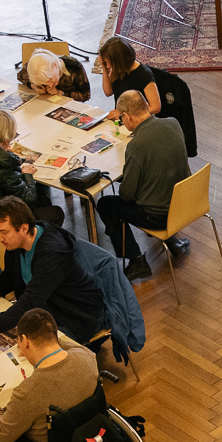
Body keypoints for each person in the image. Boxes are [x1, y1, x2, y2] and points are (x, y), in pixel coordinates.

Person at [0, 196, 106, 354]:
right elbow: (9, 277)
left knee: (24, 356)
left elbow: (29, 302)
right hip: (46, 310)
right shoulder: (17, 242)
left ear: (24, 228)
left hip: (75, 317)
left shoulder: (52, 255)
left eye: (4, 232)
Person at [96, 91, 190, 282]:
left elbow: (127, 195)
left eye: (122, 119)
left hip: (158, 216)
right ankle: (172, 241)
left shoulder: (137, 145)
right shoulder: (173, 123)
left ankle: (136, 261)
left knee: (106, 204)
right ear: (146, 106)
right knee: (157, 181)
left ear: (126, 116)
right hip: (185, 204)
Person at [0, 307, 98, 442]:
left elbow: (1, 437)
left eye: (20, 342)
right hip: (91, 433)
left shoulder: (28, 392)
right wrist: (39, 347)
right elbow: (59, 344)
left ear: (24, 341)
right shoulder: (86, 355)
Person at [96, 35, 162, 116]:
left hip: (138, 119)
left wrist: (122, 114)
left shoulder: (144, 75)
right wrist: (104, 69)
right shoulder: (117, 70)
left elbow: (156, 108)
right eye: (106, 63)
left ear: (120, 61)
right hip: (124, 117)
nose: (108, 66)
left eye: (110, 63)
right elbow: (108, 92)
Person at [17, 48, 92, 101]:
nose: (50, 85)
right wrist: (34, 86)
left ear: (55, 65)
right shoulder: (35, 67)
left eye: (50, 79)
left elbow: (86, 95)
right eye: (45, 83)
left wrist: (60, 92)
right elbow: (20, 76)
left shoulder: (74, 67)